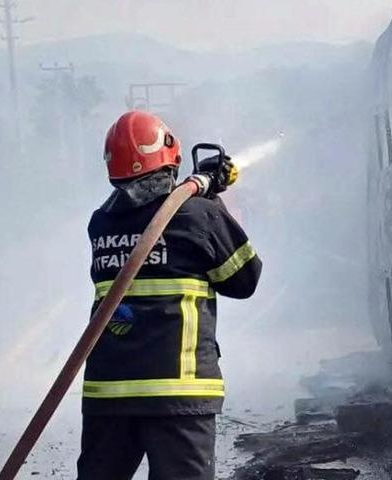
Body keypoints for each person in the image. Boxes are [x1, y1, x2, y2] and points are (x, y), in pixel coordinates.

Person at [77, 111, 262, 480]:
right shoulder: (198, 215)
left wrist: (200, 193)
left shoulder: (101, 223)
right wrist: (212, 199)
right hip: (177, 392)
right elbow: (245, 279)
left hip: (109, 394)